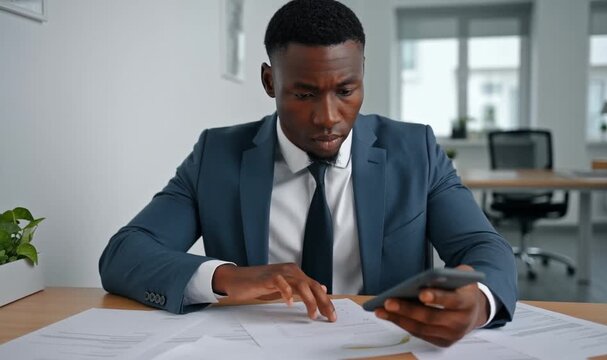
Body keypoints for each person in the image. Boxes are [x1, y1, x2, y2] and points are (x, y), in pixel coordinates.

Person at [99, 0, 517, 347]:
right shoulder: (218, 155)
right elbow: (125, 254)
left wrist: (479, 301)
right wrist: (229, 277)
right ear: (269, 81)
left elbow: (482, 246)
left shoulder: (415, 150)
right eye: (304, 94)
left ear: (362, 74)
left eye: (346, 90)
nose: (328, 117)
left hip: (384, 350)